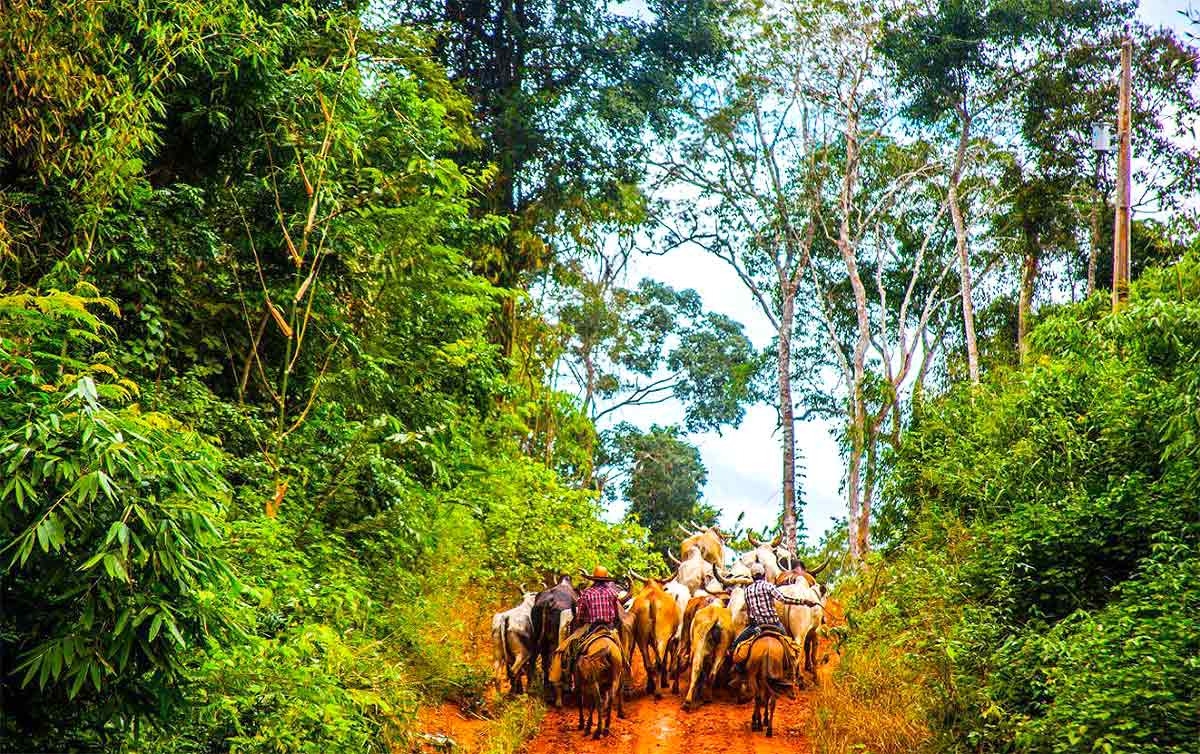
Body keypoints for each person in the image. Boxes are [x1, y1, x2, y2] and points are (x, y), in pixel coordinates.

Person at [730, 562, 818, 672]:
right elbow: (784, 599)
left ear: (752, 577)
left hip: (756, 626)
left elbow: (749, 612)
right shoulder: (769, 586)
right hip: (775, 624)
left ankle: (740, 671)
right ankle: (791, 670)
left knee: (734, 646)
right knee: (790, 647)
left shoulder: (747, 591)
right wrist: (803, 601)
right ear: (764, 575)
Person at [559, 566, 622, 677]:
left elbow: (580, 615)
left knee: (574, 649)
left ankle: (569, 671)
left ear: (593, 579)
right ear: (606, 580)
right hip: (609, 627)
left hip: (592, 627)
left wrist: (580, 621)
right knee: (621, 647)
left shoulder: (587, 593)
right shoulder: (612, 593)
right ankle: (625, 668)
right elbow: (616, 613)